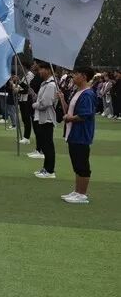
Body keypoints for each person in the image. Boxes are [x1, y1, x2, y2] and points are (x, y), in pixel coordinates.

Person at [57, 66, 97, 204]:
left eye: (76, 74)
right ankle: (77, 191)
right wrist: (62, 99)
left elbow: (84, 115)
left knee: (82, 165)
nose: (73, 77)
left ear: (84, 76)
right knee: (77, 164)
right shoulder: (77, 92)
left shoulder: (87, 94)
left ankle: (82, 194)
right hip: (73, 133)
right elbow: (69, 111)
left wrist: (70, 119)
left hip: (81, 134)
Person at [31, 62, 57, 178]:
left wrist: (34, 105)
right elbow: (41, 99)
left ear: (49, 70)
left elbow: (45, 103)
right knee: (45, 145)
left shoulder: (50, 85)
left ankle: (50, 170)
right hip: (42, 118)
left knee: (48, 145)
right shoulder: (44, 83)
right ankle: (46, 168)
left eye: (42, 69)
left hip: (47, 118)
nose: (40, 71)